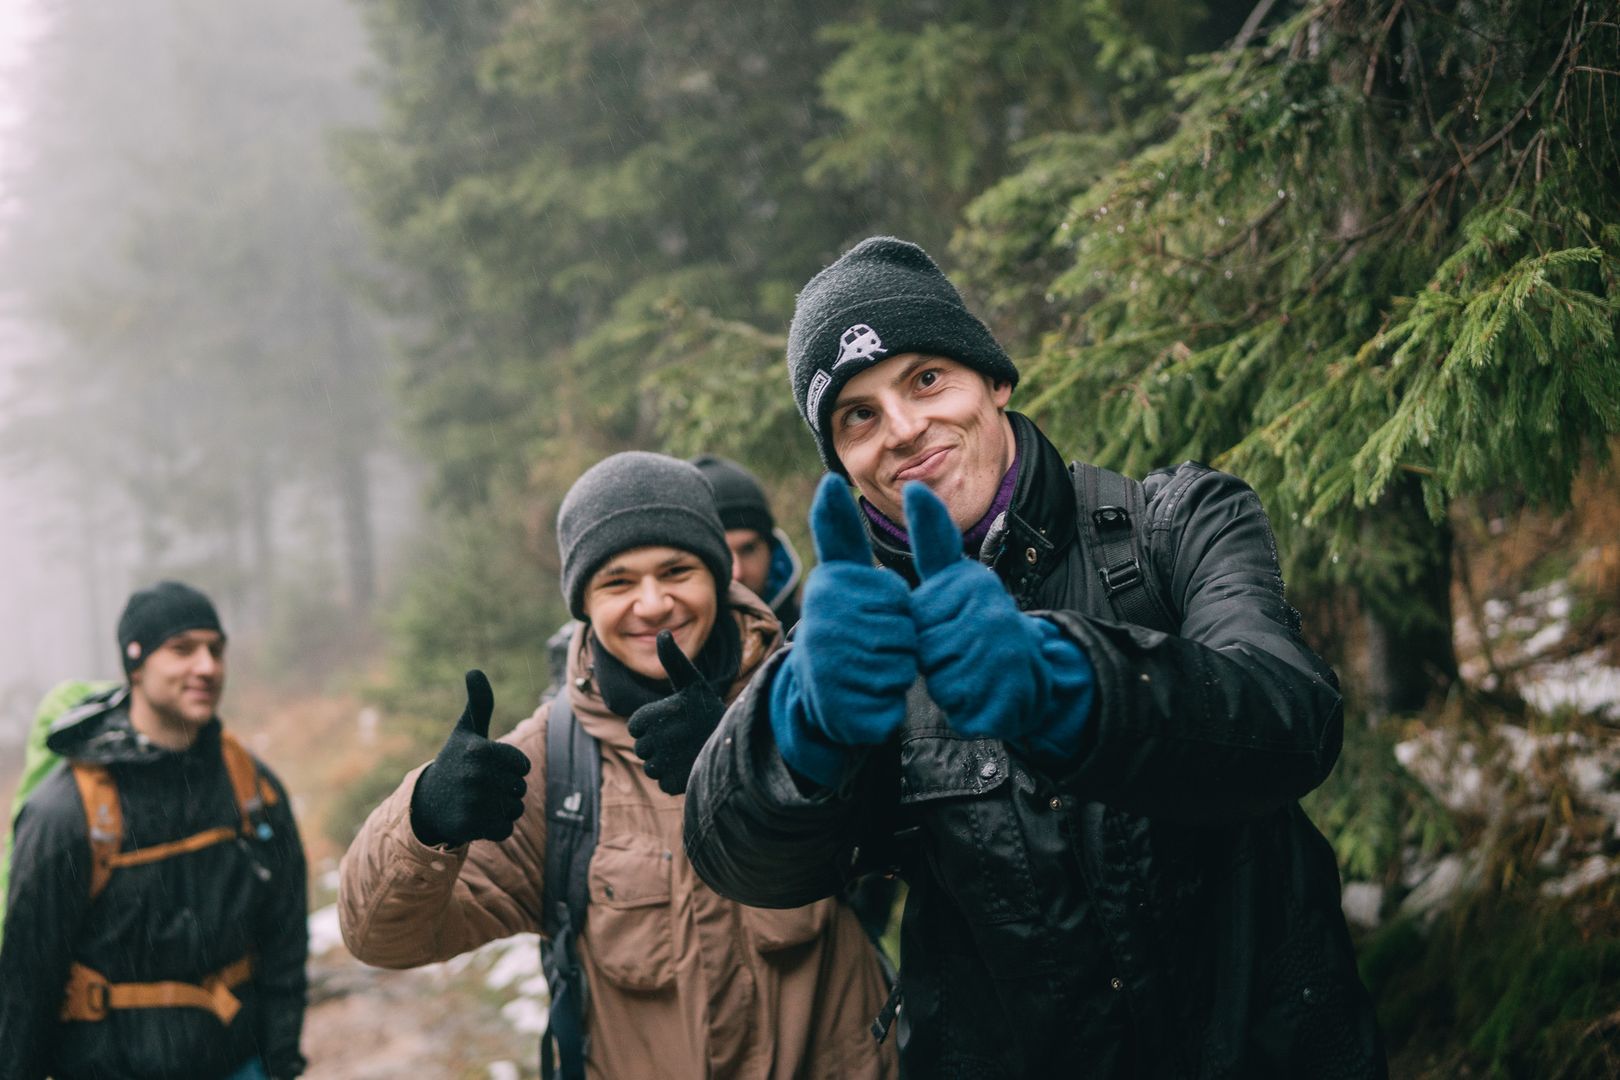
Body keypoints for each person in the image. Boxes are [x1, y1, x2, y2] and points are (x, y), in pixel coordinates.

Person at [683, 237, 1387, 1078]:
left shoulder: (1177, 525)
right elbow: (741, 861)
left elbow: (1291, 719)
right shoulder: (860, 637)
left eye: (926, 379)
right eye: (858, 415)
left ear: (996, 380)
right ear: (843, 462)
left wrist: (1062, 682)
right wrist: (798, 730)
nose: (903, 430)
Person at [338, 451, 896, 1080]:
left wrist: (744, 765)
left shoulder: (804, 693)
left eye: (677, 570)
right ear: (583, 602)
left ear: (718, 574)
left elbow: (904, 839)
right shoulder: (552, 763)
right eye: (618, 582)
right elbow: (380, 938)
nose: (653, 604)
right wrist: (423, 820)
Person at [0, 581, 308, 1080]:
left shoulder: (251, 787)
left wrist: (281, 1058)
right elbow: (26, 983)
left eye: (215, 649)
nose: (207, 666)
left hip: (241, 1065)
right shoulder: (68, 813)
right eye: (182, 649)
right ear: (136, 664)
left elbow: (285, 939)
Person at [690, 453, 804, 629]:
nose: (737, 573)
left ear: (771, 550)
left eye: (748, 549)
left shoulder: (815, 634)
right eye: (720, 554)